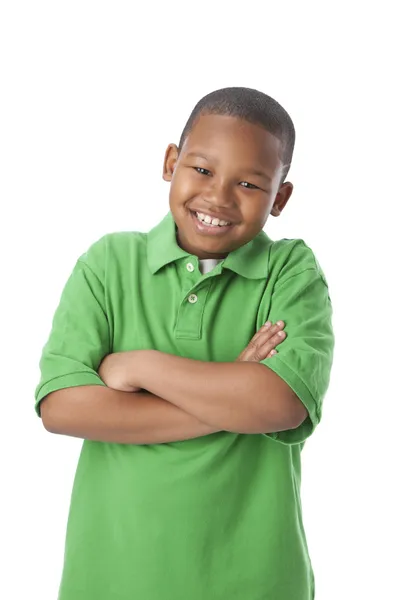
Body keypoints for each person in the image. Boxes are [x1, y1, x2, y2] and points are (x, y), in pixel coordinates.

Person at [34, 86, 335, 600]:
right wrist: (228, 400)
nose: (218, 197)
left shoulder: (290, 271)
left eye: (248, 183)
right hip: (112, 575)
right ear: (172, 162)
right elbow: (62, 407)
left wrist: (141, 366)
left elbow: (279, 404)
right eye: (202, 169)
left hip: (255, 580)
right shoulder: (109, 264)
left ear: (280, 198)